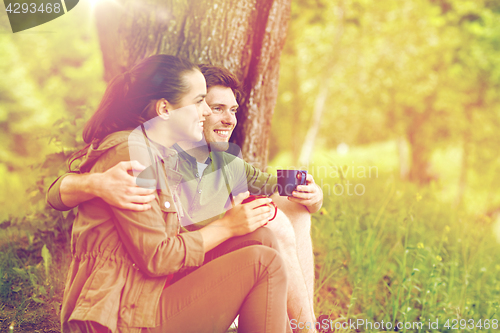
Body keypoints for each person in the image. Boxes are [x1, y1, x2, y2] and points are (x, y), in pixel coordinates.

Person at [48, 64, 322, 332]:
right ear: (166, 108)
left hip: (154, 284)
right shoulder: (139, 154)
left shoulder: (207, 158)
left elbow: (274, 184)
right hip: (124, 308)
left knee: (267, 237)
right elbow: (158, 256)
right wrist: (228, 225)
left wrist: (313, 194)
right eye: (206, 103)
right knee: (265, 259)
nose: (216, 115)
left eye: (231, 110)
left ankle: (303, 327)